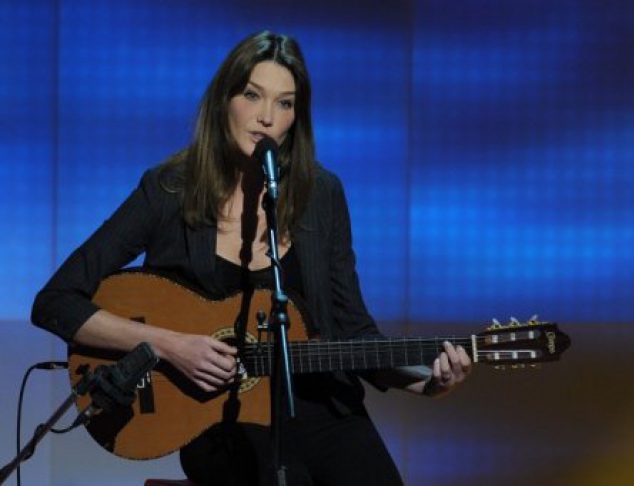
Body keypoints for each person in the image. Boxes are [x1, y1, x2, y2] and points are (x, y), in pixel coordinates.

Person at [32, 31, 471, 485]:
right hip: (218, 414)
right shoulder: (168, 190)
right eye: (252, 95)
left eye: (285, 103)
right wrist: (171, 346)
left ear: (296, 118)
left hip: (319, 405)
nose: (266, 117)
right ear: (224, 100)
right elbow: (55, 302)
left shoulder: (321, 195)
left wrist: (427, 382)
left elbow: (353, 330)